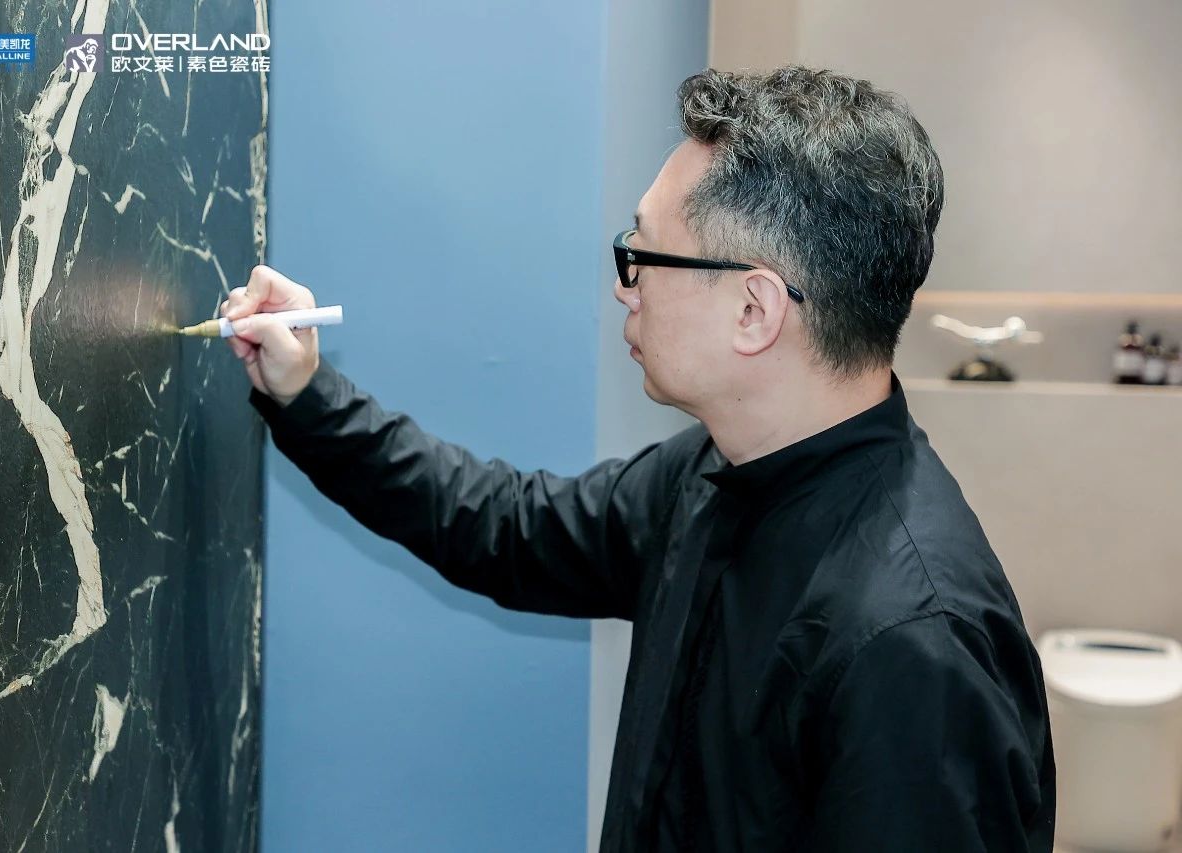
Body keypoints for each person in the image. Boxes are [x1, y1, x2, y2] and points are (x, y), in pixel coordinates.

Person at [222, 66, 1056, 852]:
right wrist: (307, 392)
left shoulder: (914, 645)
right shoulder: (712, 473)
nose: (625, 286)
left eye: (643, 255)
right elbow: (507, 527)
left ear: (755, 309)